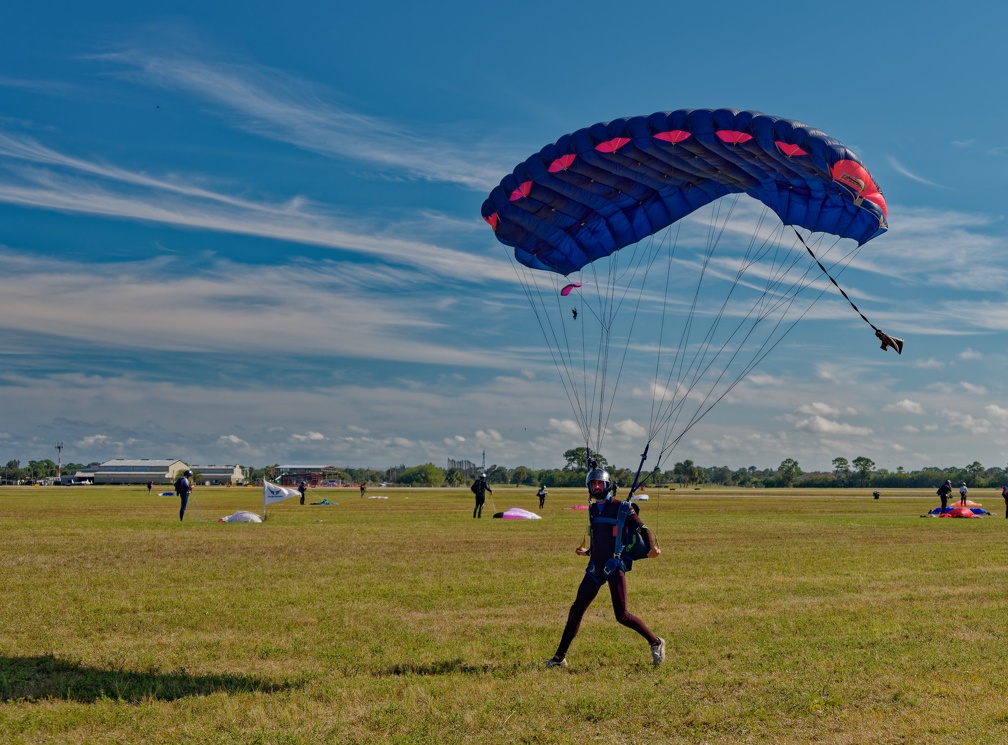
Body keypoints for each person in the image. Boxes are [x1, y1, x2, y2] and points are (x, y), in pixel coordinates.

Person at [547, 467, 665, 669]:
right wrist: (588, 552)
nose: (596, 486)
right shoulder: (593, 509)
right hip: (595, 566)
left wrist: (651, 548)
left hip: (614, 564)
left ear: (608, 485)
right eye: (593, 483)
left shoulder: (622, 508)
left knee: (622, 615)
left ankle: (656, 642)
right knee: (576, 610)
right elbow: (601, 538)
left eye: (600, 483)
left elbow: (642, 528)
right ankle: (559, 658)